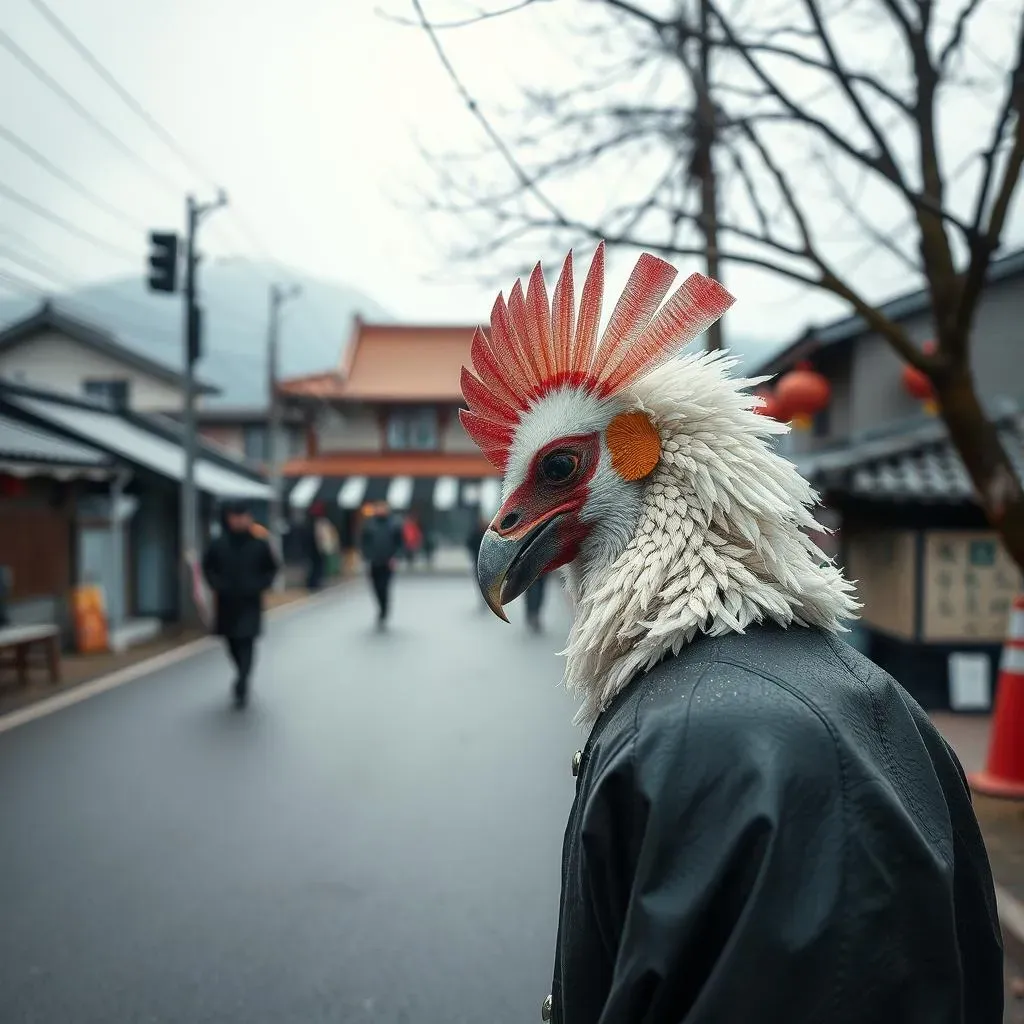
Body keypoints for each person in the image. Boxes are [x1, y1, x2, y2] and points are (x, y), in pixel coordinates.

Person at [202, 500, 279, 707]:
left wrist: (261, 585)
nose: (239, 521)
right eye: (235, 517)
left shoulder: (259, 544)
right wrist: (217, 585)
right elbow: (207, 567)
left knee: (247, 641)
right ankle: (240, 673)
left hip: (250, 601)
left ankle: (243, 680)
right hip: (227, 602)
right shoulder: (219, 544)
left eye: (242, 516)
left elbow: (271, 569)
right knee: (232, 642)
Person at [360, 501, 403, 626]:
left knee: (384, 587)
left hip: (388, 561)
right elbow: (364, 542)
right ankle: (380, 606)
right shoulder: (369, 524)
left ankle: (384, 609)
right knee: (375, 587)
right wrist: (367, 556)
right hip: (374, 561)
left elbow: (399, 543)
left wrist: (395, 557)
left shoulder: (394, 524)